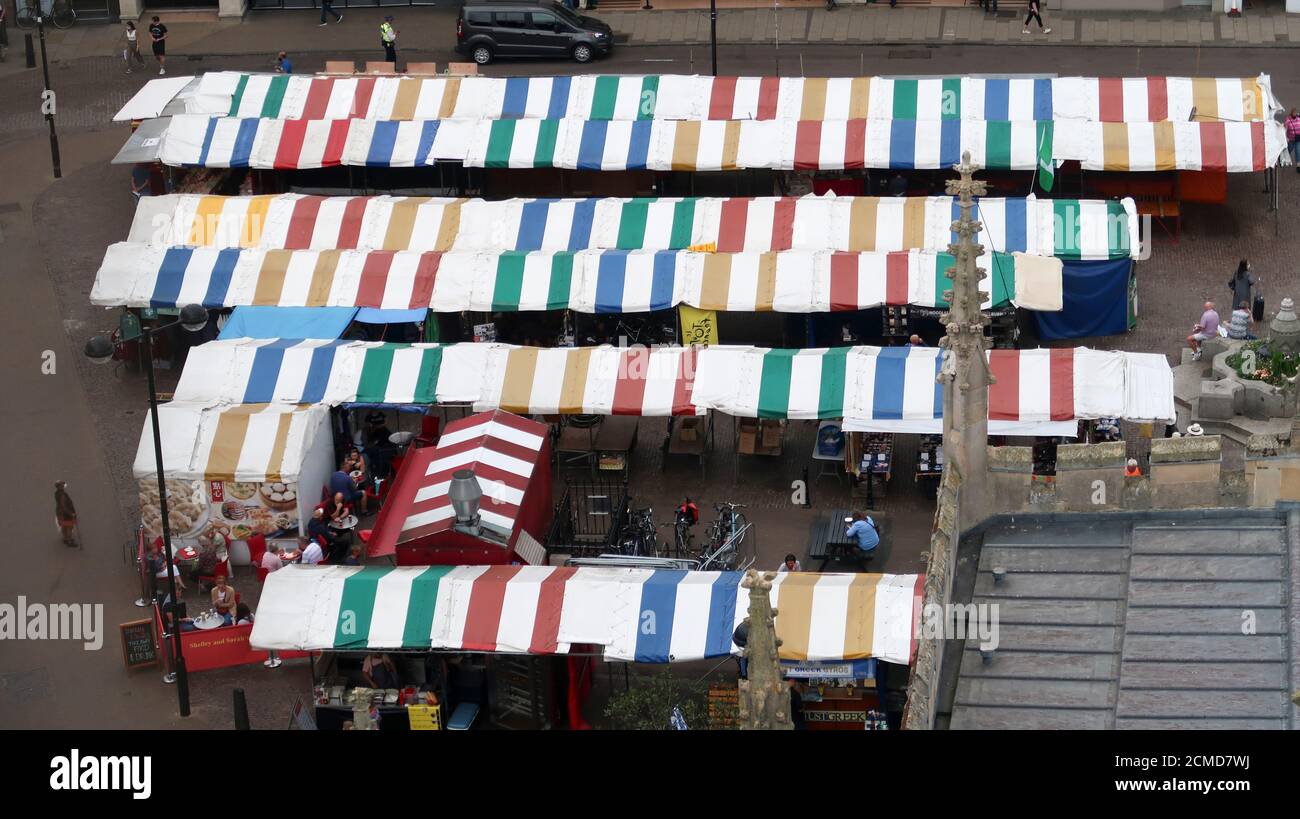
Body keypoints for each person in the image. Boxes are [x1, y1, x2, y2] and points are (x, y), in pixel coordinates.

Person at [54, 481, 77, 548]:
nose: (64, 485)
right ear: (59, 487)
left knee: (64, 526)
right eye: (62, 485)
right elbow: (64, 507)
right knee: (69, 527)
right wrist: (71, 513)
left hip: (59, 513)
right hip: (65, 514)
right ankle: (69, 541)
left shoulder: (57, 493)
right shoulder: (63, 495)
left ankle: (65, 538)